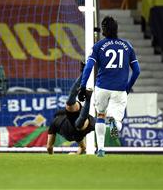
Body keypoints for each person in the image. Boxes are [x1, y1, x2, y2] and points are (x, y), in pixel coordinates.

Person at [78, 16, 140, 157]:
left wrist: (82, 86)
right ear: (116, 29)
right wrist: (128, 87)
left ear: (104, 30)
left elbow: (88, 67)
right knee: (115, 121)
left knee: (100, 115)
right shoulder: (127, 46)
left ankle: (100, 149)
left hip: (102, 88)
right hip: (119, 89)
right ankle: (113, 123)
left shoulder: (98, 46)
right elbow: (137, 71)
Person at [47, 65, 95, 155]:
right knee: (69, 103)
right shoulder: (58, 122)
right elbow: (83, 147)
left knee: (79, 125)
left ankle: (88, 97)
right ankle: (83, 74)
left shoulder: (55, 123)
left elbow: (49, 147)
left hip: (82, 123)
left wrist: (75, 155)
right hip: (79, 119)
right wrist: (76, 154)